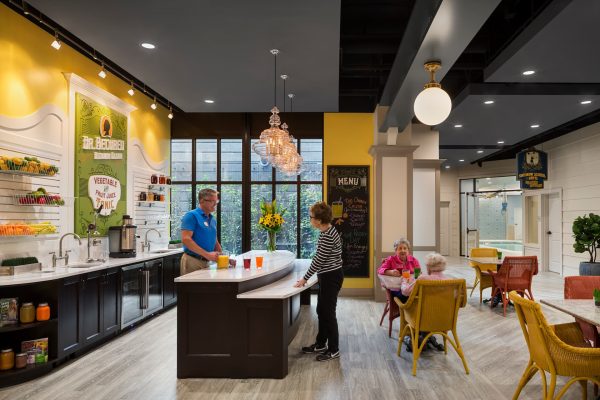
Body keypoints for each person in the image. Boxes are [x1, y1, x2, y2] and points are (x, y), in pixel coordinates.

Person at [294, 202, 344, 362]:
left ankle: (334, 349)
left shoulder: (328, 235)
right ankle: (321, 343)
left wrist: (304, 279)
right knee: (321, 311)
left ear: (319, 220)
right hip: (327, 276)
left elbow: (318, 260)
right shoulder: (325, 232)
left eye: (311, 217)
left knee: (328, 313)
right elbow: (320, 260)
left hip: (331, 277)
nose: (310, 219)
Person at [400, 252, 449, 353]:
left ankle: (414, 339)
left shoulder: (423, 279)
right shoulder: (450, 281)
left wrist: (404, 281)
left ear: (429, 267)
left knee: (405, 305)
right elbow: (461, 302)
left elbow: (405, 292)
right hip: (444, 319)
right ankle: (426, 337)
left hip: (421, 319)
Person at [180, 188, 222, 275]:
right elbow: (186, 239)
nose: (215, 204)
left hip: (207, 262)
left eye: (216, 201)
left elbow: (215, 241)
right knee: (192, 289)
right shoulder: (191, 216)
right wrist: (207, 254)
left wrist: (223, 258)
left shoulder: (212, 219)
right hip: (193, 261)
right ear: (202, 201)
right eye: (212, 201)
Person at [377, 237, 420, 303]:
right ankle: (405, 312)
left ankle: (410, 312)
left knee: (418, 294)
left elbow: (418, 271)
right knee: (406, 296)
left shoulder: (413, 260)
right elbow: (380, 270)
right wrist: (390, 272)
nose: (403, 250)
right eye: (400, 248)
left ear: (408, 250)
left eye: (405, 248)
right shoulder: (391, 259)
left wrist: (416, 276)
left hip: (409, 287)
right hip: (396, 288)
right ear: (396, 250)